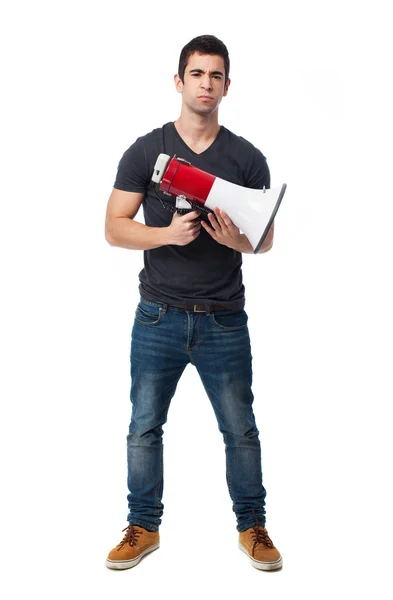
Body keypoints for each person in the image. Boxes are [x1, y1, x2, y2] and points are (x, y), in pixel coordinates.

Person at [104, 34, 282, 572]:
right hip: (156, 314)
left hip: (223, 319)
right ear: (178, 81)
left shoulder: (247, 158)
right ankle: (143, 527)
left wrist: (234, 240)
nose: (207, 84)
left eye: (216, 76)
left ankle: (252, 526)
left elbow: (264, 239)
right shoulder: (146, 150)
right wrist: (166, 235)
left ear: (228, 86)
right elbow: (113, 228)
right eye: (197, 74)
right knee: (143, 426)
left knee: (240, 429)